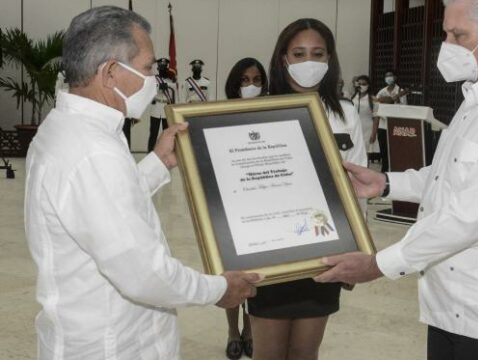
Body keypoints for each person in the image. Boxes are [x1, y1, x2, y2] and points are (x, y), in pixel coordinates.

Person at [315, 1, 478, 359]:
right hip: (451, 305)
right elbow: (448, 176)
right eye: (446, 34)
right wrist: (386, 183)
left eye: (458, 34)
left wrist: (378, 264)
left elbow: (472, 217)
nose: (447, 46)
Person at [24, 7, 260, 359]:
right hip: (112, 347)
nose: (154, 78)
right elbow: (143, 273)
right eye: (148, 67)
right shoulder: (93, 151)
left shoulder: (73, 128)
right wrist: (217, 289)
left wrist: (158, 164)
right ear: (111, 73)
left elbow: (103, 208)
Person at [248, 18, 367, 360]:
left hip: (325, 251)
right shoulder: (256, 112)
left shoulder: (346, 114)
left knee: (305, 352)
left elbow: (357, 188)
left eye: (317, 53)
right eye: (298, 54)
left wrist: (358, 250)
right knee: (268, 352)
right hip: (270, 252)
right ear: (283, 59)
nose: (308, 62)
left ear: (329, 60)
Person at [222, 56, 268, 360]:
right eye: (243, 81)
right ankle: (231, 331)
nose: (250, 86)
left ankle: (250, 330)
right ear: (234, 84)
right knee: (231, 274)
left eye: (256, 80)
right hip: (229, 206)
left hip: (262, 206)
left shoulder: (271, 113)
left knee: (256, 276)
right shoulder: (219, 114)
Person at [374, 70, 407, 173]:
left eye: (390, 76)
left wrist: (396, 100)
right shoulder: (382, 91)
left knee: (394, 148)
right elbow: (376, 104)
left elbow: (404, 108)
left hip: (395, 124)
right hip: (383, 125)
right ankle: (384, 169)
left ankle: (394, 168)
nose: (388, 78)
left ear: (395, 77)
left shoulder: (400, 91)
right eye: (386, 76)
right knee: (383, 148)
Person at [148, 57, 177, 152]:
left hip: (166, 108)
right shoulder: (153, 80)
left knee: (166, 133)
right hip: (155, 107)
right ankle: (150, 152)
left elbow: (175, 96)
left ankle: (166, 152)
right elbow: (149, 93)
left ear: (167, 69)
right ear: (158, 69)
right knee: (153, 133)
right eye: (161, 68)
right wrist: (158, 88)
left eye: (164, 68)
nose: (162, 70)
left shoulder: (171, 81)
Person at [351, 75, 379, 161]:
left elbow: (376, 117)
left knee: (365, 154)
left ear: (368, 85)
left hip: (367, 129)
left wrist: (374, 133)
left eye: (364, 84)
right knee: (354, 152)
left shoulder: (373, 99)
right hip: (354, 128)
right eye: (359, 84)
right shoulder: (353, 97)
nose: (361, 86)